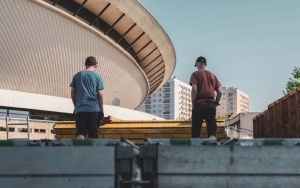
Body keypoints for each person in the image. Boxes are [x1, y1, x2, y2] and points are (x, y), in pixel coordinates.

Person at [70, 56, 104, 139]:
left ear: (85, 64)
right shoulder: (98, 77)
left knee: (80, 133)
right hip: (94, 109)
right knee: (93, 133)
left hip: (80, 109)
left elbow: (72, 93)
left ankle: (80, 151)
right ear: (95, 65)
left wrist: (76, 106)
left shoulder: (77, 76)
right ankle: (92, 151)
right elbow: (100, 94)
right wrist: (101, 109)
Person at [189, 56, 222, 138]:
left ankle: (195, 148)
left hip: (199, 104)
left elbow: (194, 90)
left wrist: (193, 104)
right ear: (205, 64)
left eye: (196, 65)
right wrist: (216, 102)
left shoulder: (195, 74)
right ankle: (212, 146)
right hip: (211, 105)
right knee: (211, 130)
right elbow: (220, 92)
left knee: (196, 130)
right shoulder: (212, 76)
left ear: (198, 64)